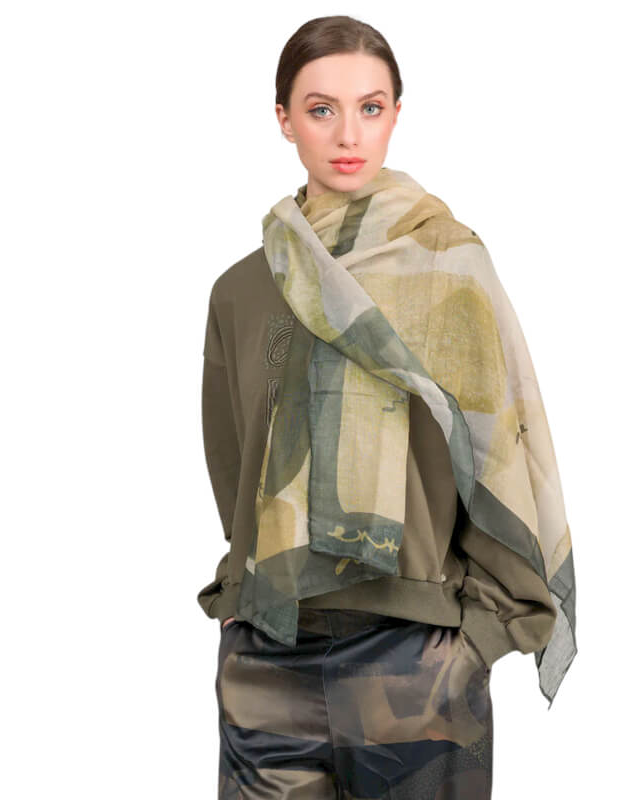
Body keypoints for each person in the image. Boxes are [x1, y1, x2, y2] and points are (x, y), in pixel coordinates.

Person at [198, 14, 577, 799]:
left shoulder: (451, 268)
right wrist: (241, 603)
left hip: (417, 661)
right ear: (283, 119)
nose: (348, 134)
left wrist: (474, 637)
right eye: (321, 109)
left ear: (396, 114)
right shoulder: (241, 288)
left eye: (370, 107)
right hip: (269, 652)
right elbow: (233, 464)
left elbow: (502, 444)